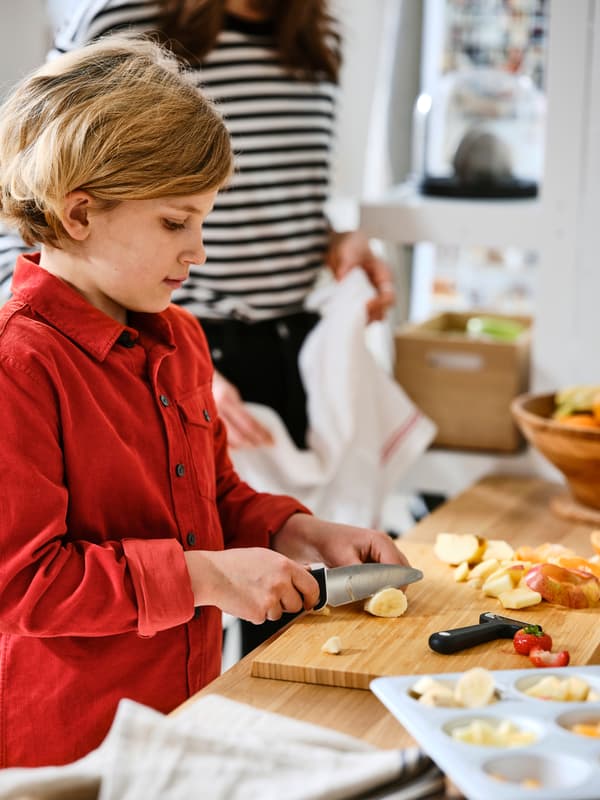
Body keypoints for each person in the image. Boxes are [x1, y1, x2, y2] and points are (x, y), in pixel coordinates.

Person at [0, 34, 410, 768]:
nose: (200, 251)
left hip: (179, 716)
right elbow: (27, 584)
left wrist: (293, 531)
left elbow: (212, 499)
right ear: (79, 214)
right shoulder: (16, 365)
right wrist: (208, 579)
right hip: (60, 752)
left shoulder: (181, 339)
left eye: (204, 219)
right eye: (174, 222)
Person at [1, 0, 396, 452]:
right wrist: (134, 360)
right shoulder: (120, 18)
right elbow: (32, 184)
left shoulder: (320, 41)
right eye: (174, 224)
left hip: (291, 342)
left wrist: (334, 238)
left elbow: (275, 188)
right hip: (171, 344)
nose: (197, 246)